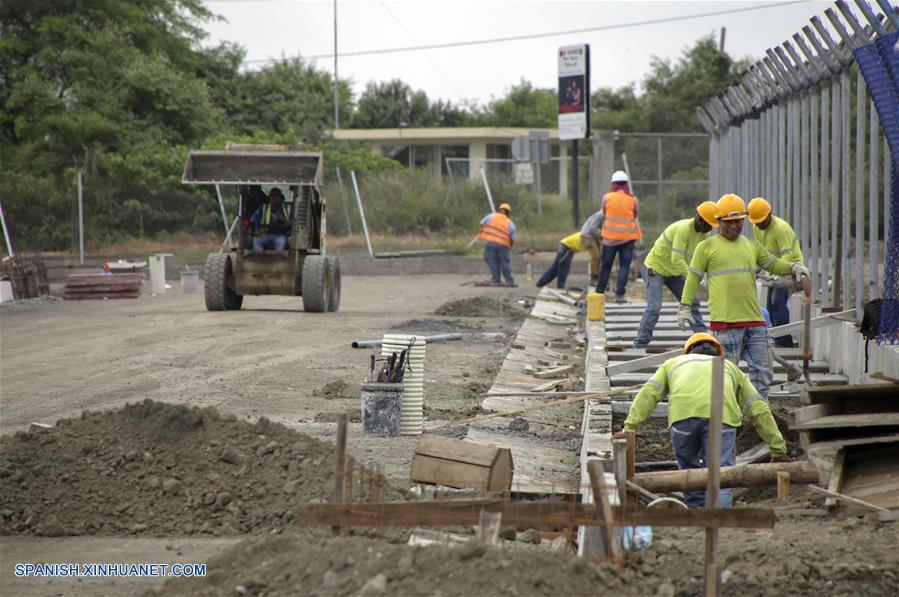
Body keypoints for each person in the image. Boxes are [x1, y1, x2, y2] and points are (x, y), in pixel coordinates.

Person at [619, 332, 789, 508]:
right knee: (721, 476)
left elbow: (648, 394)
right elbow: (758, 409)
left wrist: (629, 426)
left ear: (688, 352)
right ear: (718, 352)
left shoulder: (673, 363)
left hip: (683, 419)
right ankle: (719, 518)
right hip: (721, 420)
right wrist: (777, 448)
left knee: (689, 474)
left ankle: (698, 513)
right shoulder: (730, 367)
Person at [679, 194, 808, 398]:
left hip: (755, 324)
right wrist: (685, 307)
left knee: (763, 374)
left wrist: (793, 267)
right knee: (726, 379)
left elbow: (772, 263)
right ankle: (730, 422)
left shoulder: (751, 245)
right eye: (729, 223)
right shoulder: (706, 248)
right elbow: (693, 279)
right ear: (719, 222)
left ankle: (757, 416)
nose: (733, 227)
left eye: (738, 222)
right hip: (725, 325)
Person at [632, 201, 719, 349]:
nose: (710, 228)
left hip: (676, 272)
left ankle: (703, 339)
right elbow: (676, 258)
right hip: (655, 268)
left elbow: (704, 257)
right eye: (708, 224)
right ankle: (640, 343)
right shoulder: (683, 229)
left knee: (692, 303)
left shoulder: (705, 234)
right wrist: (694, 277)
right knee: (654, 307)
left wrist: (708, 275)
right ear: (699, 219)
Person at [748, 197, 804, 348]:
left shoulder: (781, 229)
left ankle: (785, 341)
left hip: (791, 269)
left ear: (769, 214)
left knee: (777, 302)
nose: (759, 224)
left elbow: (787, 256)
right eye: (756, 221)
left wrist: (778, 273)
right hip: (773, 270)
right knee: (769, 304)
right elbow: (759, 252)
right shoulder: (757, 227)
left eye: (761, 220)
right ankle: (777, 336)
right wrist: (755, 268)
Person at [593, 170, 642, 303]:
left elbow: (604, 213)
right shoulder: (633, 199)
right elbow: (635, 215)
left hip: (610, 239)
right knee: (624, 267)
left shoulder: (606, 198)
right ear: (626, 184)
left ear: (613, 184)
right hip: (627, 239)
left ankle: (599, 293)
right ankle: (619, 295)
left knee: (605, 266)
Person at [535, 229, 600, 289]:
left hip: (565, 246)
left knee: (554, 269)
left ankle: (540, 283)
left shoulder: (589, 237)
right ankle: (560, 287)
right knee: (564, 269)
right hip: (566, 248)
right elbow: (594, 257)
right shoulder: (589, 239)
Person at [478, 202, 516, 287]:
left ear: (499, 210)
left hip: (490, 243)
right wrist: (509, 247)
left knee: (492, 262)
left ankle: (495, 282)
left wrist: (486, 232)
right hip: (503, 245)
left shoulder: (490, 216)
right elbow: (512, 238)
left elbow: (481, 223)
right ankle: (509, 282)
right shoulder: (510, 223)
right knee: (505, 263)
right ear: (508, 213)